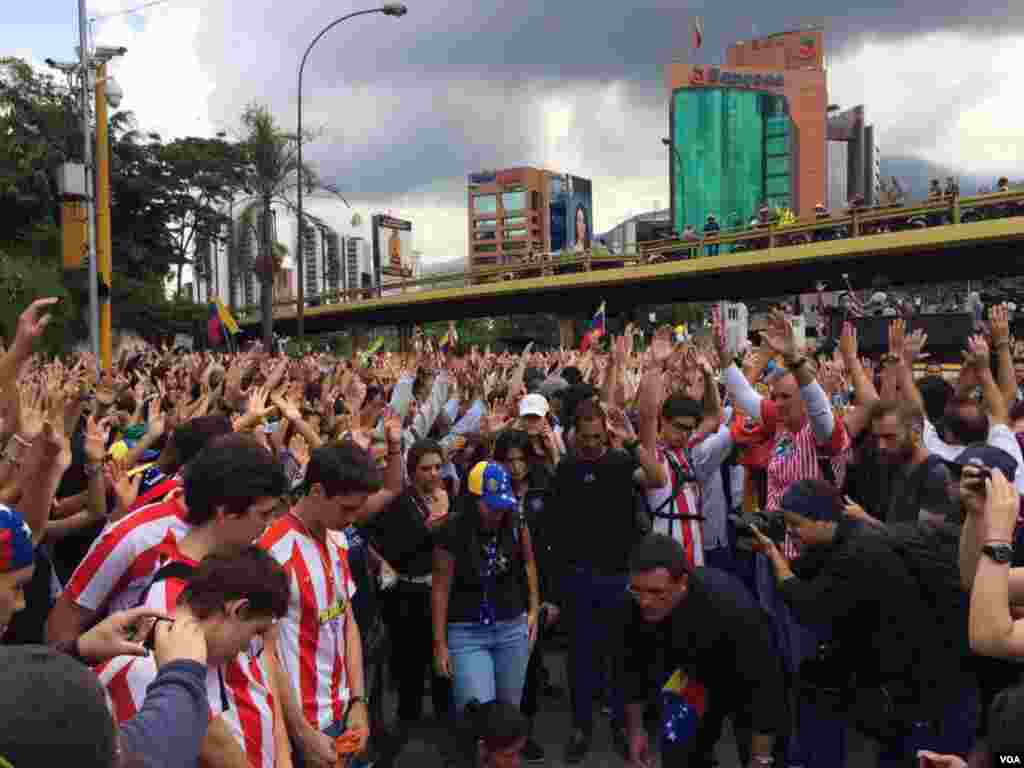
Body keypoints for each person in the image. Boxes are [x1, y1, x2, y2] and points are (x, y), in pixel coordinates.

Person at [753, 480, 977, 765]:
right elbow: (806, 571)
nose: (789, 532)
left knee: (905, 754)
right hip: (891, 670)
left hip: (915, 680)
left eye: (795, 524)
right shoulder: (844, 536)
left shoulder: (858, 552)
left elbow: (808, 605)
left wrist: (774, 556)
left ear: (823, 520)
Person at [547, 373, 667, 764]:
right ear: (574, 435)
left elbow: (656, 477)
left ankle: (620, 723)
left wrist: (630, 438)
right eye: (586, 438)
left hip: (619, 576)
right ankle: (581, 727)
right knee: (581, 658)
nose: (593, 444)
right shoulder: (564, 469)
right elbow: (555, 531)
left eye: (599, 437)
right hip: (579, 577)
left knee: (621, 655)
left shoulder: (619, 462)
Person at [260, 439, 397, 768]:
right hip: (302, 727)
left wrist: (358, 700)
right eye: (347, 508)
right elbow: (267, 653)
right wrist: (301, 732)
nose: (353, 519)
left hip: (343, 713)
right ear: (317, 491)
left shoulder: (337, 538)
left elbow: (347, 621)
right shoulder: (272, 553)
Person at [97, 547, 291, 768]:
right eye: (255, 632)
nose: (246, 646)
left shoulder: (198, 653)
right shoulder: (146, 667)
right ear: (239, 610)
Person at [48, 415, 233, 644]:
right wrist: (94, 469)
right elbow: (80, 511)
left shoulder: (159, 480)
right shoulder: (143, 515)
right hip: (73, 571)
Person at [618, 533, 786, 768]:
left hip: (743, 681)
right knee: (678, 753)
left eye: (657, 592)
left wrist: (761, 758)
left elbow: (765, 690)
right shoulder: (632, 601)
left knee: (761, 756)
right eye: (638, 590)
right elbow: (629, 667)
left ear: (682, 583)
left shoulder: (730, 607)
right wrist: (636, 731)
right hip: (688, 676)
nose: (645, 602)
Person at [432, 461, 539, 723]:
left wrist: (534, 609)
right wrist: (439, 643)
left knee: (508, 716)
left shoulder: (516, 522)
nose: (497, 513)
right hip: (467, 631)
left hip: (512, 626)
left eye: (501, 506)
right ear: (472, 500)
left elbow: (529, 564)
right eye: (490, 506)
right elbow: (441, 587)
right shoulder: (451, 530)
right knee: (478, 716)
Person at [363, 438, 453, 737]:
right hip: (407, 594)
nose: (433, 474)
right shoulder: (400, 501)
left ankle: (445, 722)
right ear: (412, 472)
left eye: (438, 467)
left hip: (441, 589)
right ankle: (407, 725)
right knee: (409, 665)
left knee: (443, 662)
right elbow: (390, 545)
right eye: (426, 468)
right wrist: (434, 526)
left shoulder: (447, 494)